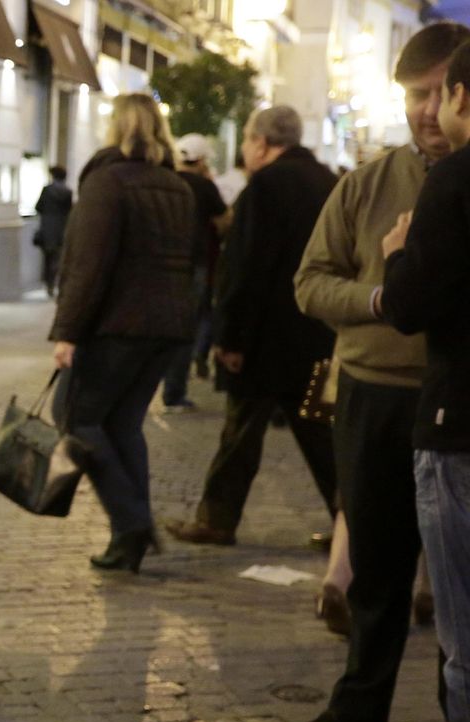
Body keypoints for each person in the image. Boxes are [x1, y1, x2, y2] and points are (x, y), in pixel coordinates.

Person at [290, 21, 470, 722]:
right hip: (372, 395)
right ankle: (361, 704)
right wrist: (378, 299)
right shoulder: (367, 183)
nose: (426, 111)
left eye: (438, 94)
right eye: (413, 96)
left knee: (456, 584)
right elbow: (308, 284)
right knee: (376, 567)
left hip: (455, 405)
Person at [163, 106, 338, 547]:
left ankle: (216, 519)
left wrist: (231, 336)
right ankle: (351, 527)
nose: (244, 149)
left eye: (245, 139)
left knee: (240, 433)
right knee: (325, 437)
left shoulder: (265, 184)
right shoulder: (329, 181)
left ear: (261, 142)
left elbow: (247, 266)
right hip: (319, 337)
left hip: (264, 340)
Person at [377, 36, 470, 722]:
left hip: (459, 425)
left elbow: (406, 305)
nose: (428, 111)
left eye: (440, 95)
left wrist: (398, 255)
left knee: (466, 644)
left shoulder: (452, 182)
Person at [49, 93, 196, 573]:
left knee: (75, 417)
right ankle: (127, 538)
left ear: (117, 127)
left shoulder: (107, 181)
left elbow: (88, 266)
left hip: (117, 326)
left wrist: (67, 332)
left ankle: (133, 522)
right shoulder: (177, 186)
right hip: (168, 327)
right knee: (123, 423)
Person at [161, 133, 230, 411]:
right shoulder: (204, 186)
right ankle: (174, 391)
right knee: (186, 327)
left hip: (162, 264)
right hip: (195, 263)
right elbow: (224, 222)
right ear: (201, 160)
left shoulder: (165, 181)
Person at [34, 165, 73, 294]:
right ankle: (55, 281)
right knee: (58, 257)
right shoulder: (68, 192)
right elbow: (70, 211)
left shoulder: (47, 190)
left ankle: (48, 283)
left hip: (47, 228)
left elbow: (38, 207)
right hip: (62, 228)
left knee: (48, 258)